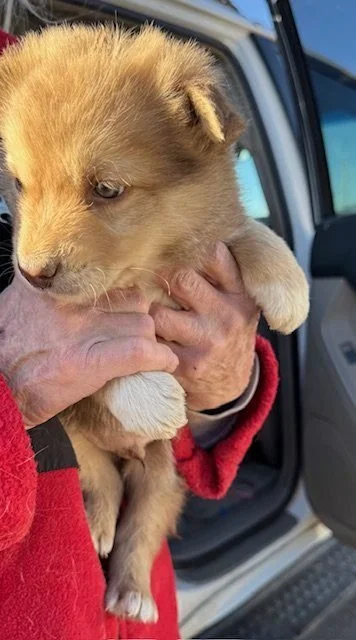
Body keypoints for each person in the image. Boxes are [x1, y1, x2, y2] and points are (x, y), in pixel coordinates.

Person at [0, 28, 278, 640]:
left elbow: (178, 429)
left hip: (136, 611)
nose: (34, 257)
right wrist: (9, 380)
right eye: (18, 186)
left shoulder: (27, 69)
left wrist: (222, 383)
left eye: (106, 190)